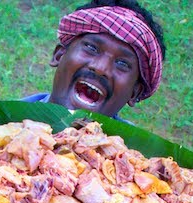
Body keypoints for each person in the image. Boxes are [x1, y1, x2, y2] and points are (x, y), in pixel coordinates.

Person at [24, 0, 166, 119]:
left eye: (122, 63)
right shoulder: (5, 124)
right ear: (59, 55)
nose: (100, 68)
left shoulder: (134, 151)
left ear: (135, 93)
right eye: (91, 48)